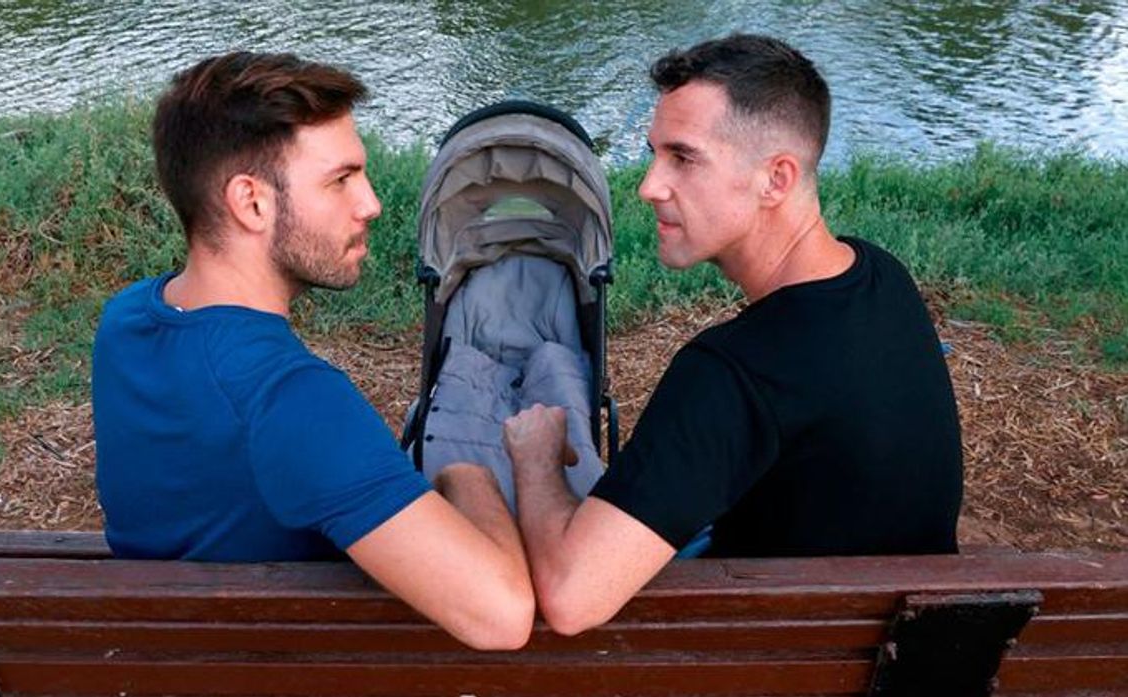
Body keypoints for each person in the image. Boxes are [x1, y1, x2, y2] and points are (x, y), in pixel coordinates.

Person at [502, 34, 963, 636]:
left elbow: (571, 596)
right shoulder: (880, 276)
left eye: (684, 158)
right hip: (908, 650)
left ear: (776, 179)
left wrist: (537, 463)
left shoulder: (732, 374)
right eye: (654, 154)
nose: (648, 186)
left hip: (781, 661)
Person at [92, 52, 532, 650]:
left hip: (166, 658)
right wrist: (465, 477)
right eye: (340, 179)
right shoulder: (291, 398)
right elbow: (502, 616)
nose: (370, 203)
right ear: (252, 203)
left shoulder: (125, 321)